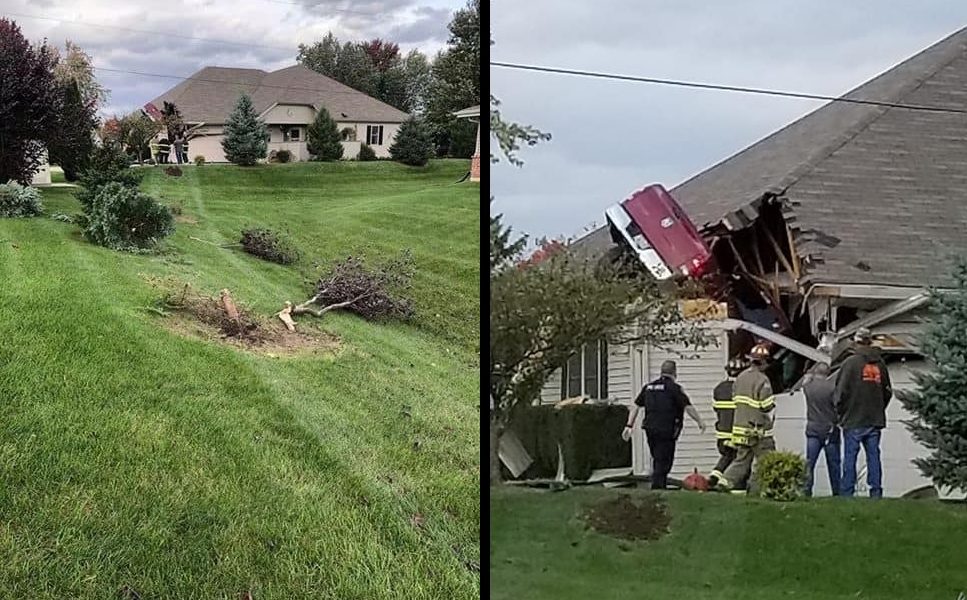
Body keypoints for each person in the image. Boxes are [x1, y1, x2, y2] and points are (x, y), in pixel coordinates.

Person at [622, 360, 706, 490]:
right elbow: (687, 407)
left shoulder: (649, 387)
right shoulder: (674, 388)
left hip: (650, 428)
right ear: (674, 373)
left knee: (657, 457)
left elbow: (636, 406)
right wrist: (699, 421)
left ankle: (659, 484)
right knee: (664, 461)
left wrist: (629, 425)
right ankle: (658, 487)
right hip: (667, 429)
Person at [836, 327, 892, 498]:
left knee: (850, 457)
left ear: (856, 341)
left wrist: (840, 413)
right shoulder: (880, 364)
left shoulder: (850, 363)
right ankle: (876, 491)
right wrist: (879, 408)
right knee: (873, 457)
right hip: (874, 418)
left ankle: (847, 492)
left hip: (853, 418)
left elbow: (840, 393)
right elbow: (887, 391)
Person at [718, 343, 775, 494]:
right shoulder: (763, 380)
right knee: (767, 459)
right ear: (763, 362)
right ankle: (757, 488)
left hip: (740, 427)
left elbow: (735, 399)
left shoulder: (740, 378)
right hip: (757, 429)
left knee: (742, 458)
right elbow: (766, 405)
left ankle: (725, 481)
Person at [801, 362, 841, 496]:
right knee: (834, 464)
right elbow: (837, 405)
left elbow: (805, 381)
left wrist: (809, 376)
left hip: (813, 428)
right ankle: (837, 492)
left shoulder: (808, 387)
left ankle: (806, 490)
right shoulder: (831, 388)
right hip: (830, 429)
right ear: (827, 373)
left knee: (809, 463)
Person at [707, 358, 746, 488]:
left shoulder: (719, 388)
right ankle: (732, 486)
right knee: (739, 461)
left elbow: (716, 409)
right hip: (737, 432)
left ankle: (714, 477)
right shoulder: (742, 388)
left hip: (722, 433)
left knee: (727, 456)